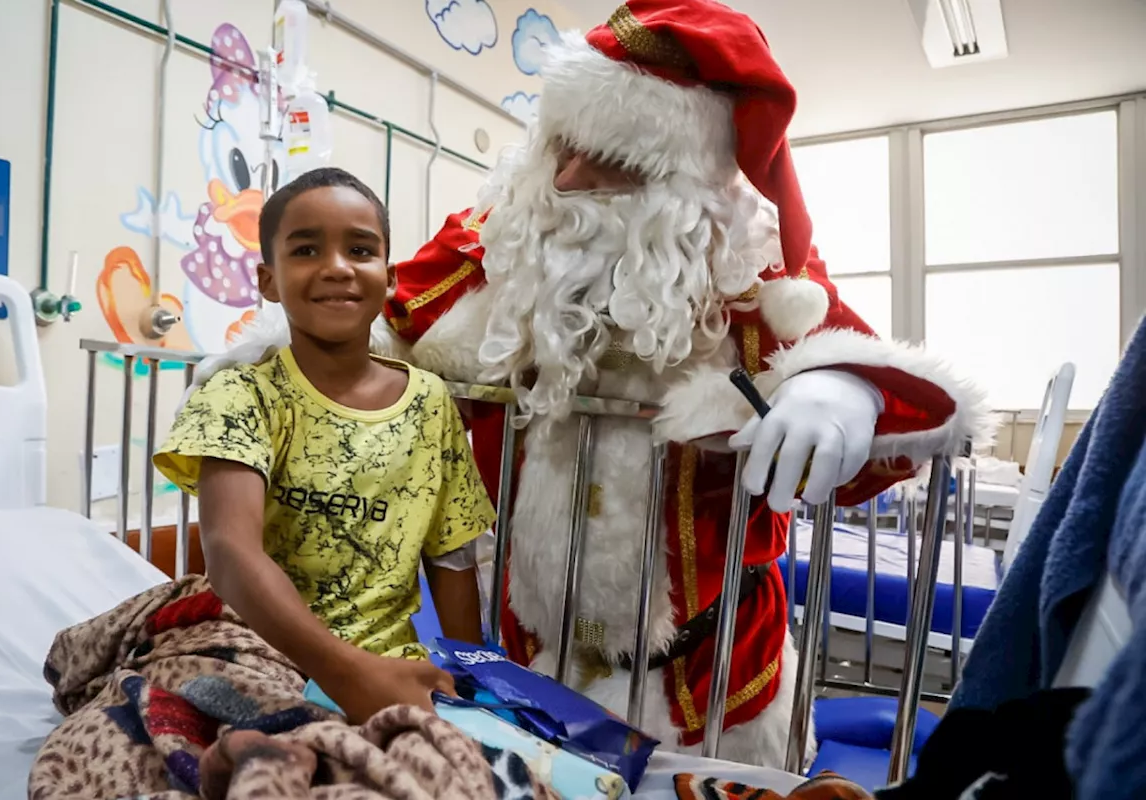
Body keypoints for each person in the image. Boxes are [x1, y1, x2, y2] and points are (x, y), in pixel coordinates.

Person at [198, 1, 992, 768]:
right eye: (562, 145)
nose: (569, 177)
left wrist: (839, 386)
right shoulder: (496, 245)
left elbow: (894, 403)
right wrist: (274, 363)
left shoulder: (755, 282)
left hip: (713, 691)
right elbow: (382, 316)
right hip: (532, 666)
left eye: (609, 162)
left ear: (680, 184)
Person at [153, 167, 497, 725]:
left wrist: (471, 686)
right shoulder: (242, 394)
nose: (336, 267)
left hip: (391, 671)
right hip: (258, 659)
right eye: (307, 249)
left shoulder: (429, 404)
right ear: (268, 279)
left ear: (387, 277)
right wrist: (347, 675)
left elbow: (451, 556)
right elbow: (230, 551)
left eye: (359, 249)